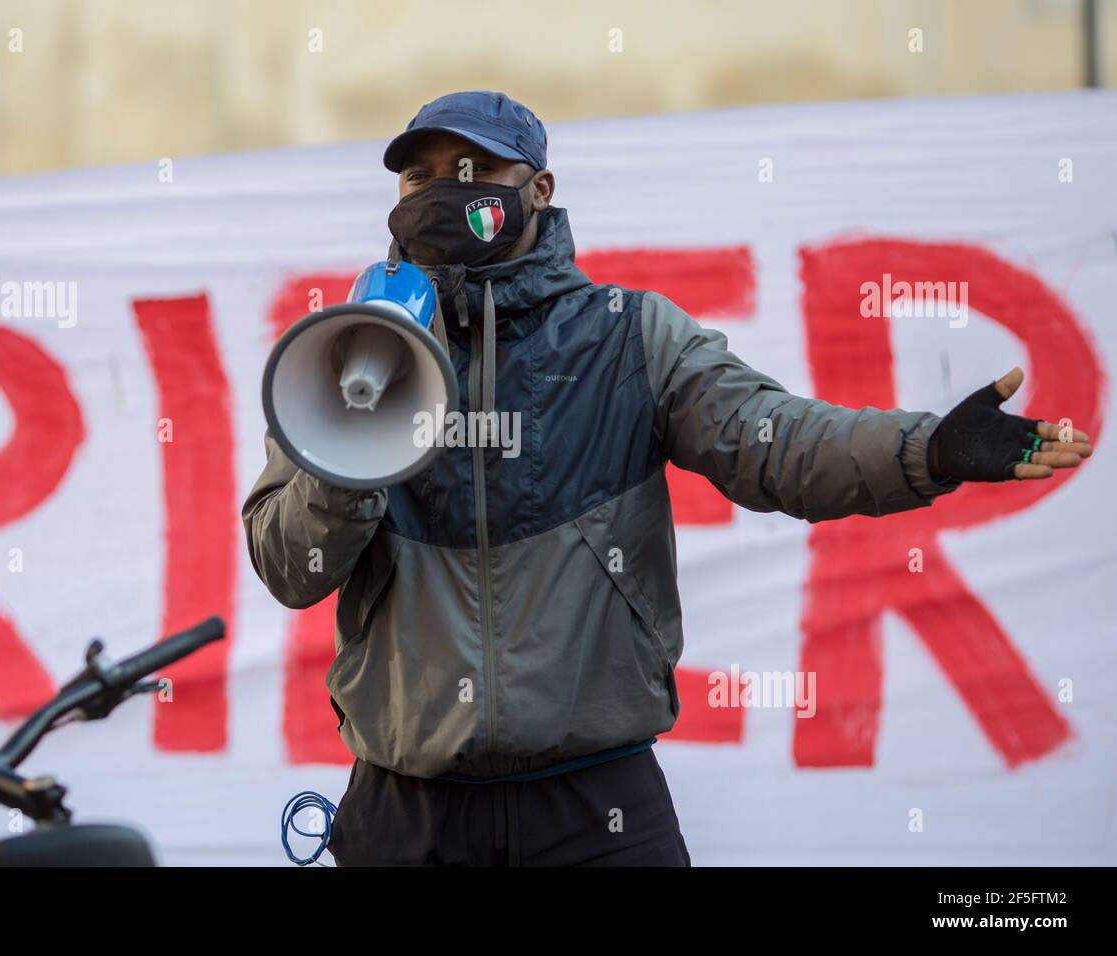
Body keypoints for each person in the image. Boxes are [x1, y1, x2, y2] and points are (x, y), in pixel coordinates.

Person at [244, 91, 1092, 866]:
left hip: (597, 810)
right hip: (405, 817)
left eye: (471, 171)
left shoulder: (629, 339)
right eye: (418, 175)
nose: (439, 190)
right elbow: (291, 569)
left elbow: (780, 444)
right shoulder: (343, 351)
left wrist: (928, 448)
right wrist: (352, 457)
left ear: (538, 189)